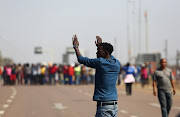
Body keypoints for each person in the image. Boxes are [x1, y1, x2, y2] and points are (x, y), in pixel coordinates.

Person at [72, 35, 120, 117]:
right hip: (113, 105)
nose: (96, 52)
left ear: (105, 52)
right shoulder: (116, 63)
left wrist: (76, 47)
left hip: (104, 106)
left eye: (99, 50)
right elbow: (110, 54)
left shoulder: (100, 62)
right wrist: (100, 45)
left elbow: (82, 59)